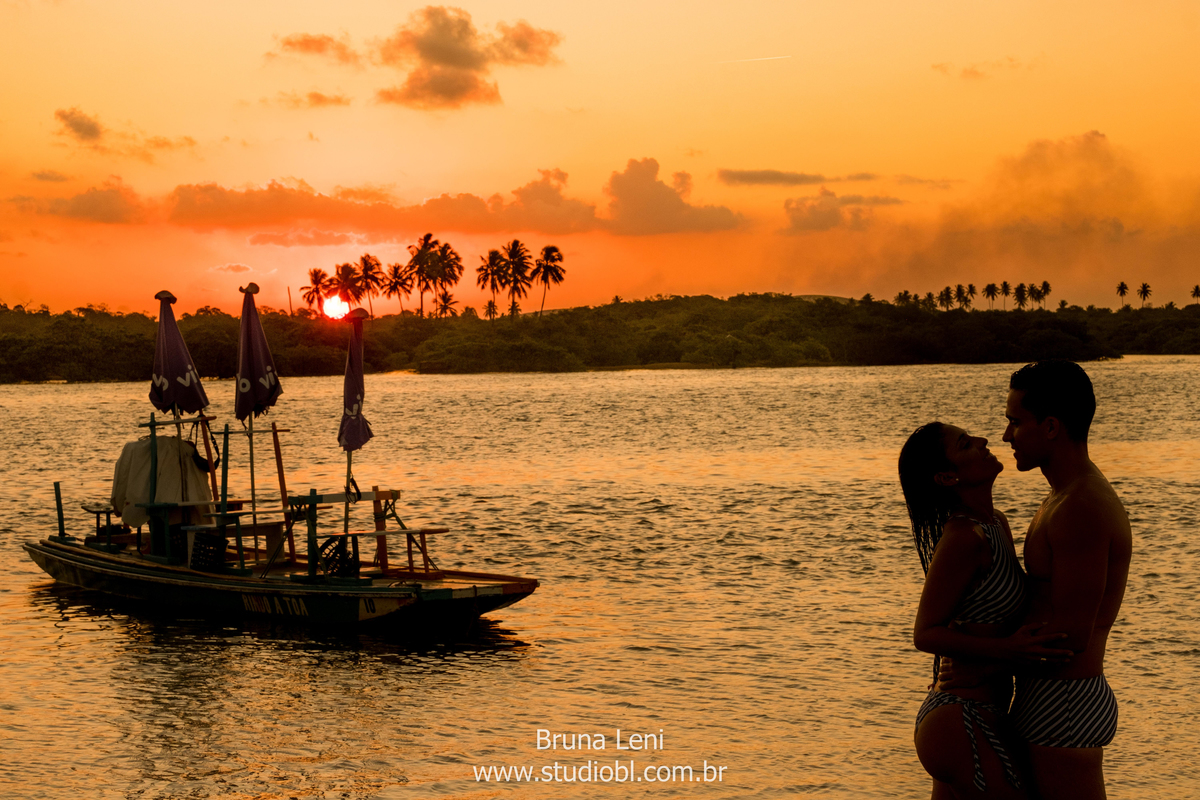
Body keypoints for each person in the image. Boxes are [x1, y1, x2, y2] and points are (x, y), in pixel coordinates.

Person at [899, 422, 1071, 798]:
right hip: (959, 717)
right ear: (947, 476)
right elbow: (925, 632)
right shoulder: (963, 538)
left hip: (981, 713)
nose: (983, 440)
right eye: (966, 444)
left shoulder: (996, 523)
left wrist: (998, 662)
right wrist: (1008, 651)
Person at [999, 360, 1132, 799]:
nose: (1006, 436)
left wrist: (980, 655)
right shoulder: (1062, 498)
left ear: (1051, 426)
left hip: (1066, 700)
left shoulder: (1081, 507)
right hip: (1053, 696)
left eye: (1015, 422)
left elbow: (1070, 634)